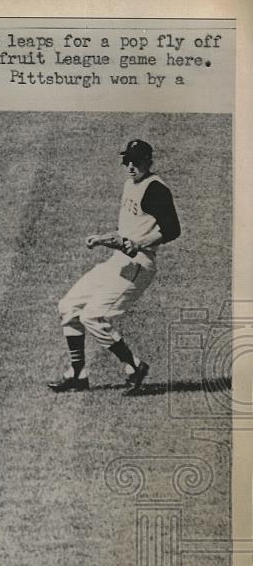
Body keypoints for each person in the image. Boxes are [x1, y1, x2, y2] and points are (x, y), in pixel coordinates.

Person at [49, 139, 180, 396]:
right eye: (127, 161)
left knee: (92, 316)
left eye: (136, 161)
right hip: (118, 261)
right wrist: (101, 239)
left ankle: (134, 366)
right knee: (68, 306)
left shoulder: (156, 189)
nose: (130, 166)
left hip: (139, 264)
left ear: (148, 161)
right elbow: (126, 231)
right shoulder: (130, 184)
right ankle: (78, 373)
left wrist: (139, 243)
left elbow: (173, 229)